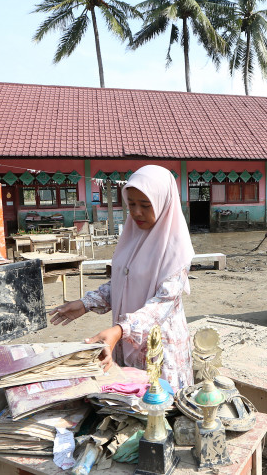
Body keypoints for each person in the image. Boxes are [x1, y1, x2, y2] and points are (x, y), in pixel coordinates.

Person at [48, 165, 195, 391]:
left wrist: (120, 330)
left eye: (146, 205)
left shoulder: (176, 250)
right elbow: (122, 283)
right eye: (131, 204)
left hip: (159, 347)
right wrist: (86, 303)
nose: (136, 212)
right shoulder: (131, 238)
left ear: (164, 204)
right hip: (123, 337)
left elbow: (163, 303)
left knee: (159, 407)